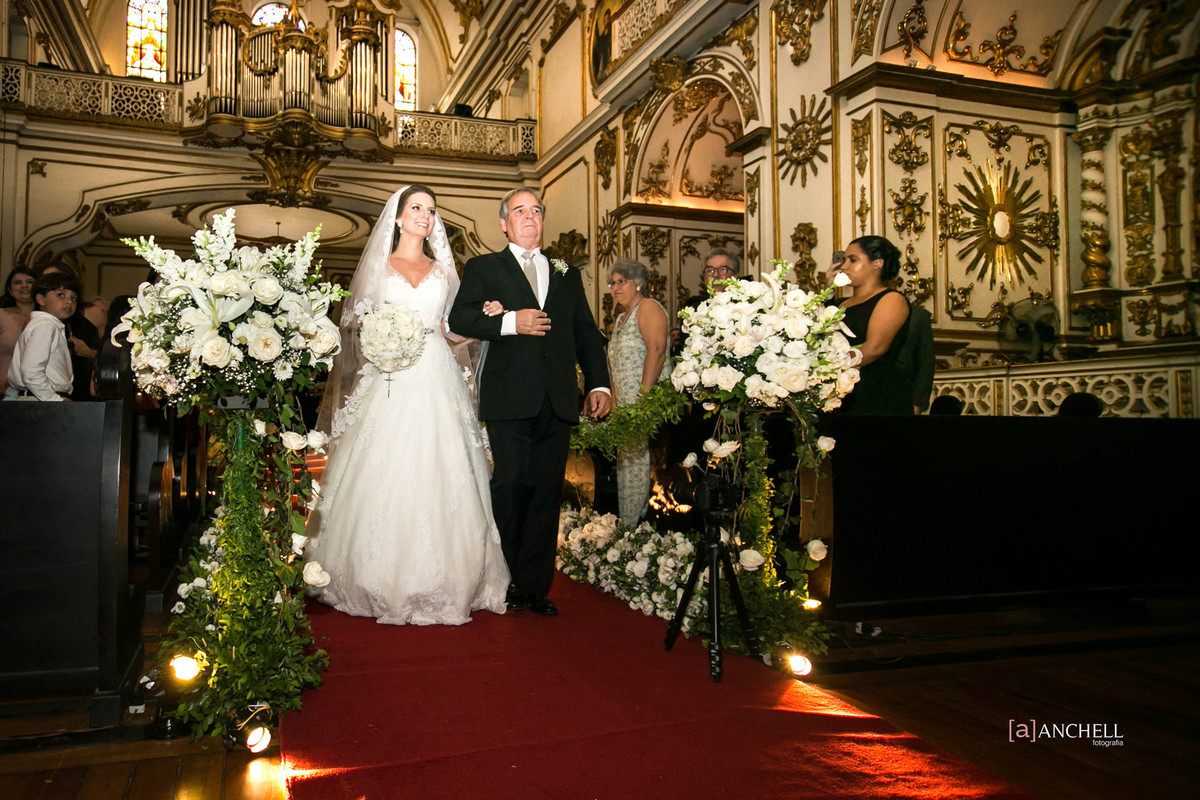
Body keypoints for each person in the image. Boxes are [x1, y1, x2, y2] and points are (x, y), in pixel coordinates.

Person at [305, 185, 510, 626]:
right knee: (386, 465)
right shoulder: (377, 269)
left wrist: (484, 320)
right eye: (416, 208)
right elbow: (358, 330)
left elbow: (451, 332)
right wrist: (383, 345)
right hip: (389, 378)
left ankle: (451, 579)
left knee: (443, 465)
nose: (425, 215)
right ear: (397, 218)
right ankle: (371, 576)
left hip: (437, 373)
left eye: (431, 210)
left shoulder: (444, 273)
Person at [449, 187, 612, 617]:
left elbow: (585, 332)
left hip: (557, 399)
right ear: (504, 223)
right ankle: (504, 579)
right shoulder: (484, 267)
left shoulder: (566, 272)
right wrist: (510, 321)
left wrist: (599, 384)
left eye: (536, 210)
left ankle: (535, 587)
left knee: (545, 493)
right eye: (519, 211)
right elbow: (459, 318)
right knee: (510, 486)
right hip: (509, 397)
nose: (529, 217)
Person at [607, 259, 669, 522]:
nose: (615, 288)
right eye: (612, 283)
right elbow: (615, 366)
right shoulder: (622, 318)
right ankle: (628, 526)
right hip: (627, 411)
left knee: (644, 469)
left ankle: (640, 527)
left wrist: (644, 399)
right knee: (629, 470)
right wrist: (615, 403)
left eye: (621, 281)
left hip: (645, 407)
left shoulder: (648, 307)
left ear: (639, 283)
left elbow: (656, 351)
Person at [829, 235, 912, 415]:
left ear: (877, 263)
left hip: (876, 393)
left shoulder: (891, 299)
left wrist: (827, 367)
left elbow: (875, 348)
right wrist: (828, 290)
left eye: (853, 260)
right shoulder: (840, 304)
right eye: (844, 260)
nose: (844, 266)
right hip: (842, 393)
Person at [4, 271, 78, 401]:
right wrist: (55, 399)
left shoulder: (47, 325)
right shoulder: (45, 326)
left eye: (74, 298)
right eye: (61, 295)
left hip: (39, 398)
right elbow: (31, 372)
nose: (69, 302)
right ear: (41, 299)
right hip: (40, 400)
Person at [0, 266, 38, 395]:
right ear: (10, 290)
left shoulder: (48, 318)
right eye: (18, 282)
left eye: (30, 282)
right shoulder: (1, 315)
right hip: (4, 390)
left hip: (39, 390)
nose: (24, 286)